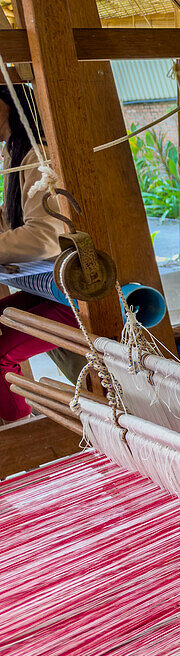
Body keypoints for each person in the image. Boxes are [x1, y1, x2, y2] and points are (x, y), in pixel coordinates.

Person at [0, 83, 76, 425]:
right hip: (53, 289)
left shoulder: (37, 154)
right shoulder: (14, 153)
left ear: (7, 106)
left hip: (76, 293)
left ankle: (22, 435)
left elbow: (45, 238)